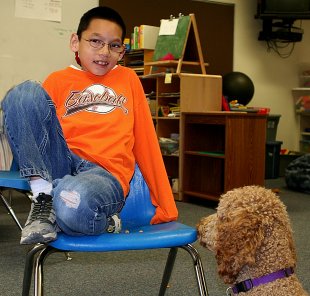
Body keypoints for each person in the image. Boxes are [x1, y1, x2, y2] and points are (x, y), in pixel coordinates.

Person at [1, 6, 178, 245]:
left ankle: (85, 214)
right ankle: (44, 197)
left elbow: (146, 140)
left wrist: (166, 204)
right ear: (75, 41)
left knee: (72, 202)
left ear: (122, 51)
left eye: (114, 45)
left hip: (103, 176)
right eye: (95, 41)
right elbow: (35, 130)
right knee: (22, 94)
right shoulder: (57, 80)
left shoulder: (128, 79)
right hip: (62, 162)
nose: (104, 52)